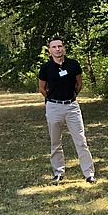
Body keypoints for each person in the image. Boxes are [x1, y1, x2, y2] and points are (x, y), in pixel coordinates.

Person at [37, 37, 96, 184]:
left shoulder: (73, 64)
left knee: (81, 141)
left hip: (72, 106)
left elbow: (79, 84)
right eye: (54, 47)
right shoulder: (46, 68)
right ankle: (58, 172)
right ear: (49, 50)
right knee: (55, 142)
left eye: (59, 46)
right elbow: (42, 88)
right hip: (53, 107)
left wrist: (71, 97)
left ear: (64, 48)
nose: (57, 49)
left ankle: (89, 173)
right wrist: (53, 99)